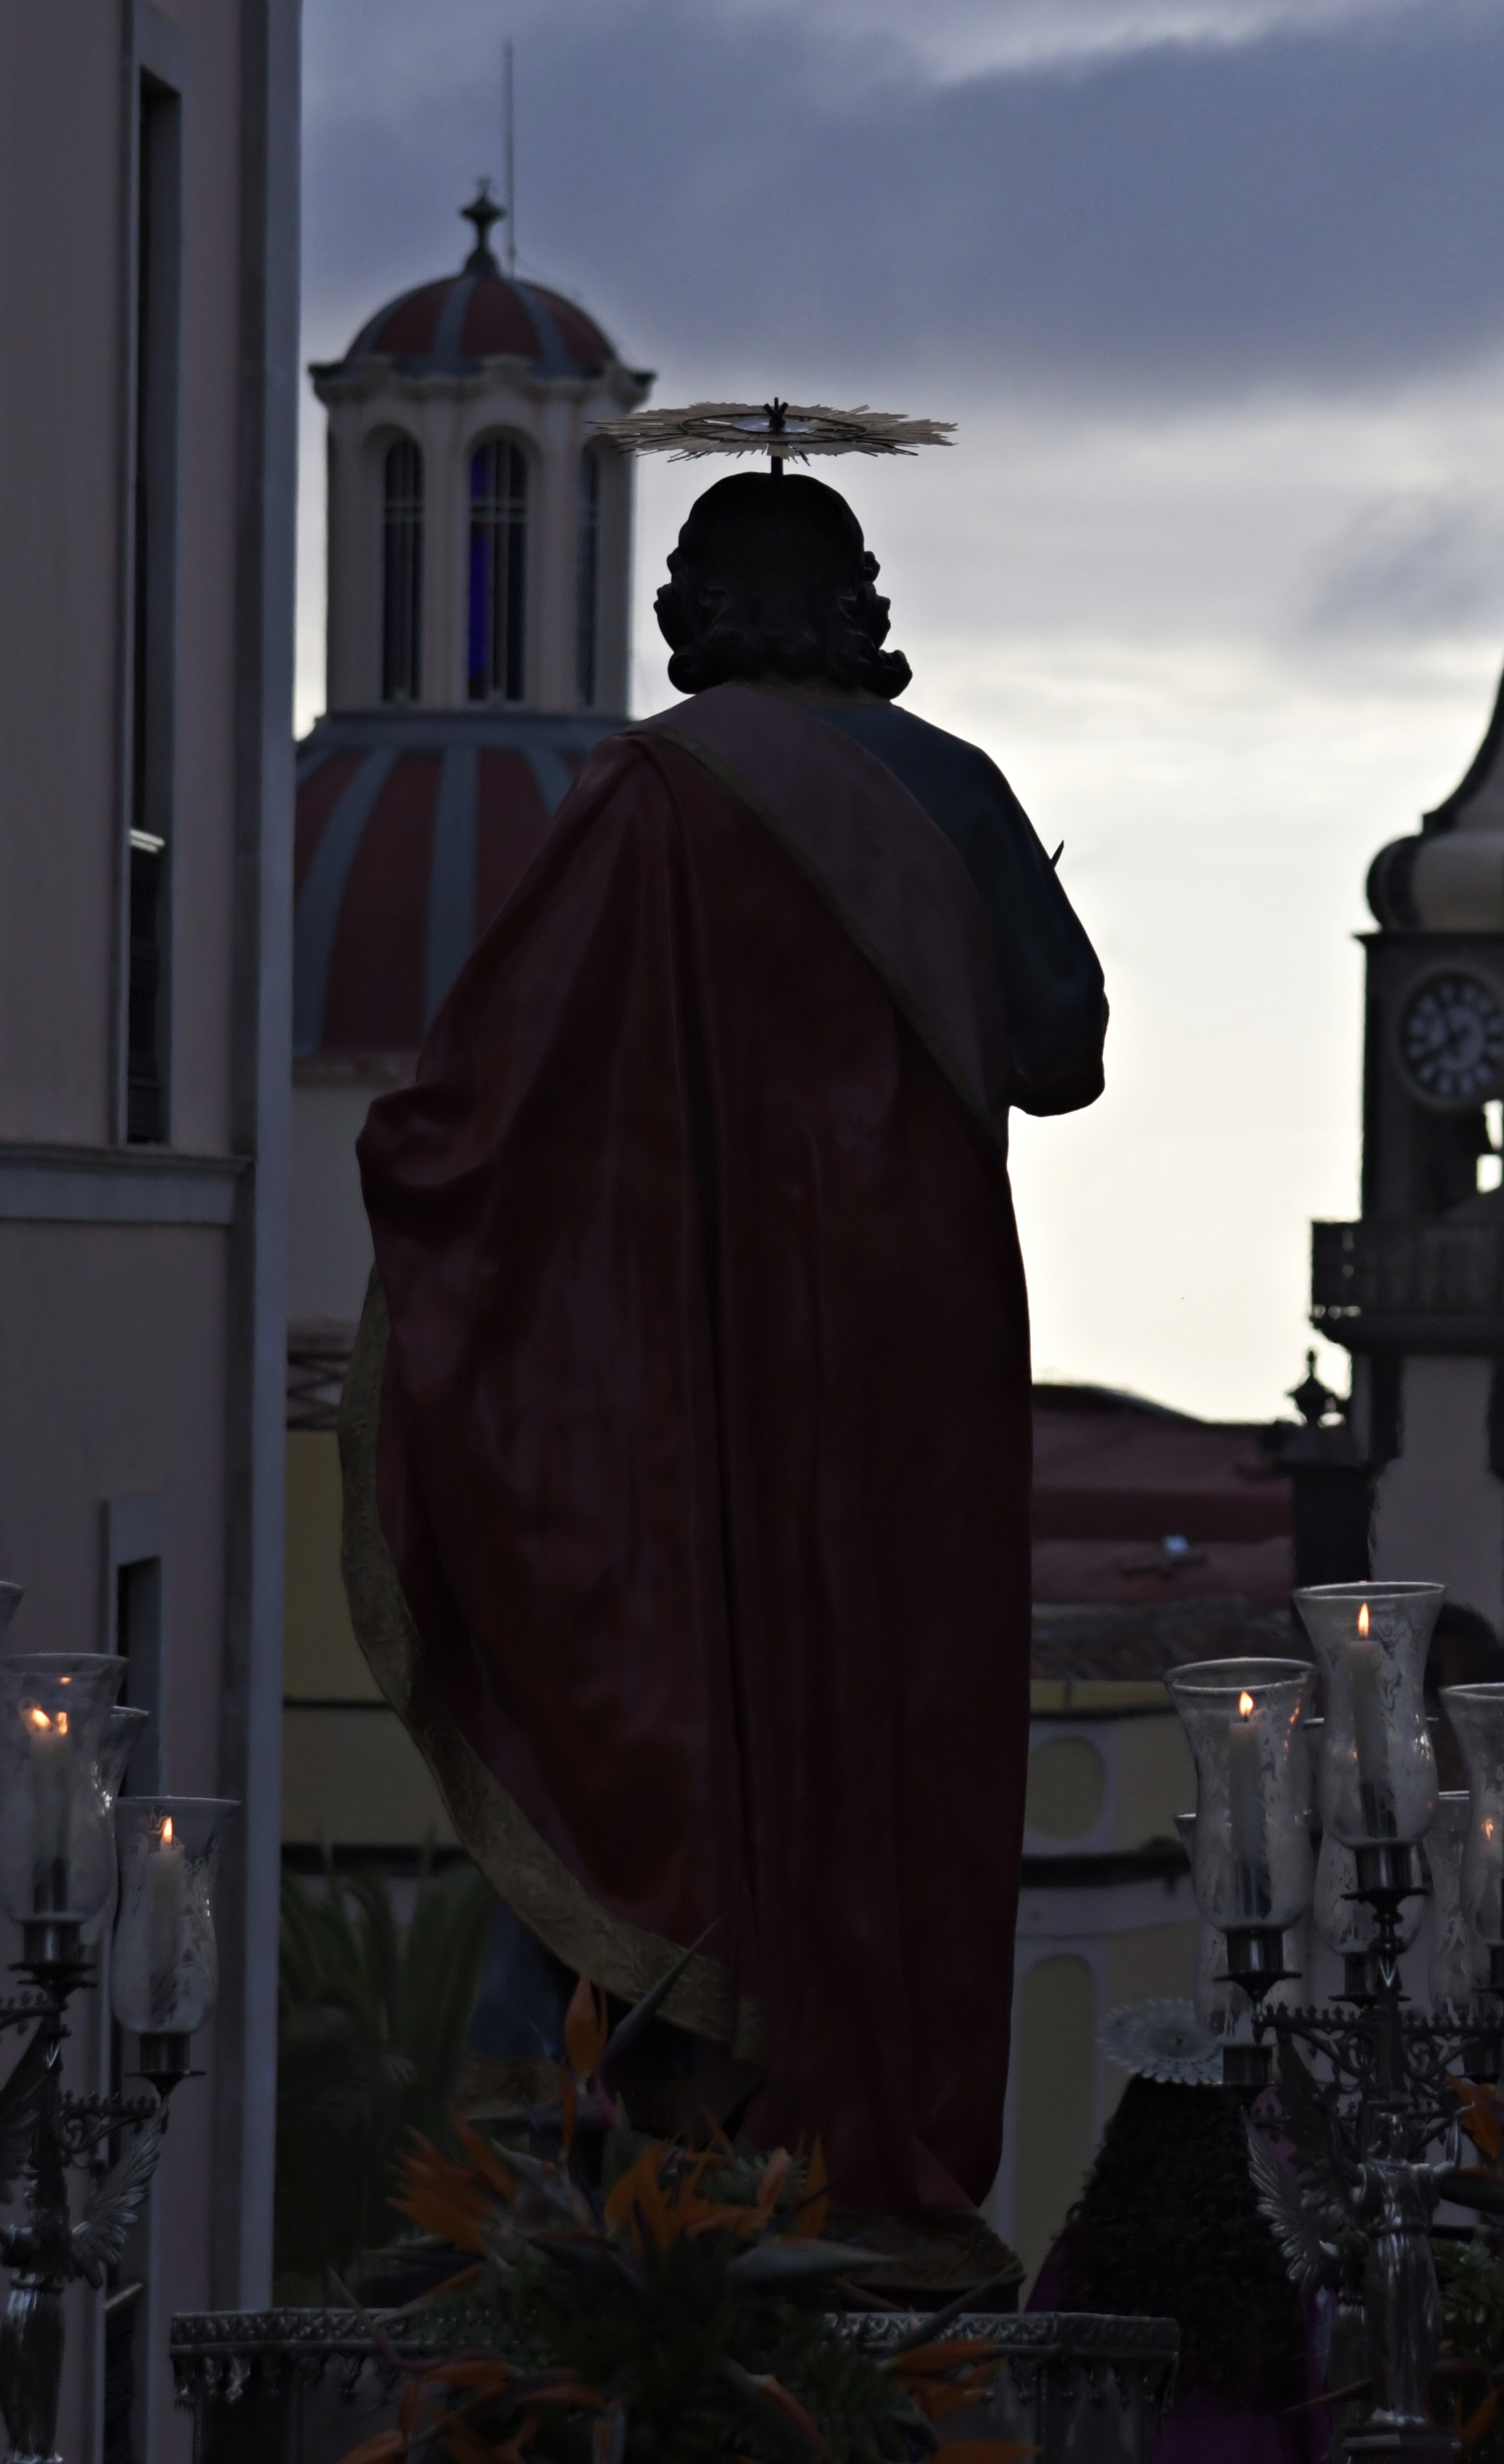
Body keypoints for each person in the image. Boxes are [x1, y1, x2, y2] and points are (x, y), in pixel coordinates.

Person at [344, 470, 1104, 2293]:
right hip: (917, 1340)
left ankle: (689, 2133)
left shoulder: (650, 788)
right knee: (898, 1711)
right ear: (859, 607)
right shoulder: (957, 788)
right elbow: (1065, 1051)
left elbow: (506, 1095)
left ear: (691, 612)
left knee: (702, 1689)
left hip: (696, 1349)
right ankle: (887, 2161)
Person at [1032, 2003, 1316, 2464]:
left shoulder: (1088, 2252)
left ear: (1127, 2137)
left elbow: (1034, 2385)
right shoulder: (1264, 2253)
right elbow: (1307, 2400)